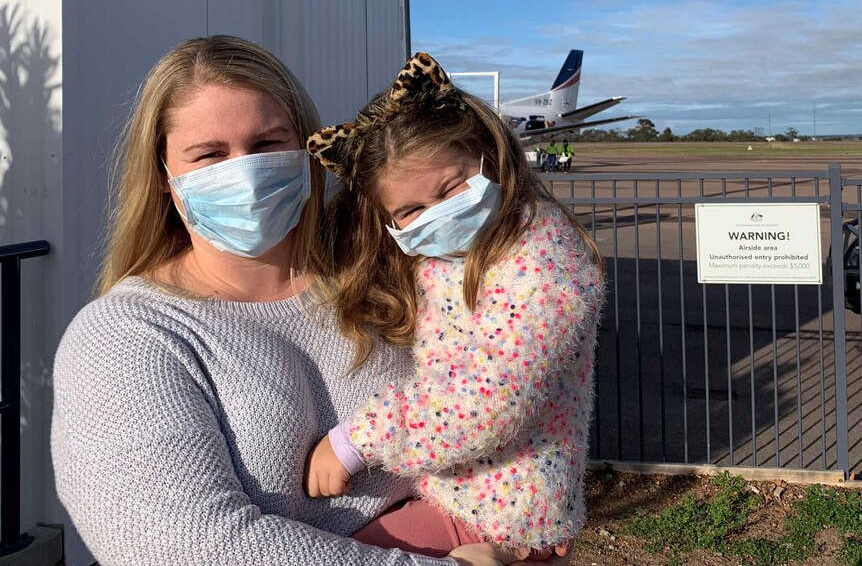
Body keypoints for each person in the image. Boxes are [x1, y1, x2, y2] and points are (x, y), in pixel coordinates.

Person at [50, 35, 540, 566]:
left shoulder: (382, 276)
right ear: (165, 179)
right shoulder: (126, 336)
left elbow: (508, 380)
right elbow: (180, 543)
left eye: (267, 144)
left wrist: (531, 516)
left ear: (308, 151)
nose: (246, 171)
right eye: (210, 155)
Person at [305, 52, 604, 557]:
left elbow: (492, 397)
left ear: (490, 155)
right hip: (463, 498)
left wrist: (356, 441)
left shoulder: (542, 259)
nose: (439, 214)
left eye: (451, 187)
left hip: (498, 516)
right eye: (412, 210)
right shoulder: (448, 253)